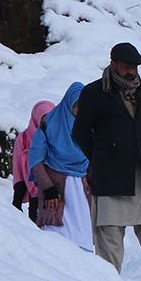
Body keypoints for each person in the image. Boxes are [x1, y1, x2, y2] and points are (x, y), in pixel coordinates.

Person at [71, 42, 141, 281]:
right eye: (127, 66)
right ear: (113, 63)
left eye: (135, 67)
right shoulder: (95, 92)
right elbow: (80, 133)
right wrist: (101, 156)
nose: (132, 71)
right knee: (109, 235)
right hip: (110, 174)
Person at [28, 82, 93, 251]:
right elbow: (36, 161)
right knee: (56, 241)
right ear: (67, 104)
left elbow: (93, 158)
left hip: (80, 191)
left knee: (81, 238)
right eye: (76, 105)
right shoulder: (48, 127)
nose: (80, 110)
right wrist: (48, 188)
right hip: (56, 191)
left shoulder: (89, 129)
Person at [12, 100, 54, 222]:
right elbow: (19, 169)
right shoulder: (24, 139)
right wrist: (17, 202)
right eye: (43, 121)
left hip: (56, 193)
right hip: (34, 194)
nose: (46, 126)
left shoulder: (58, 139)